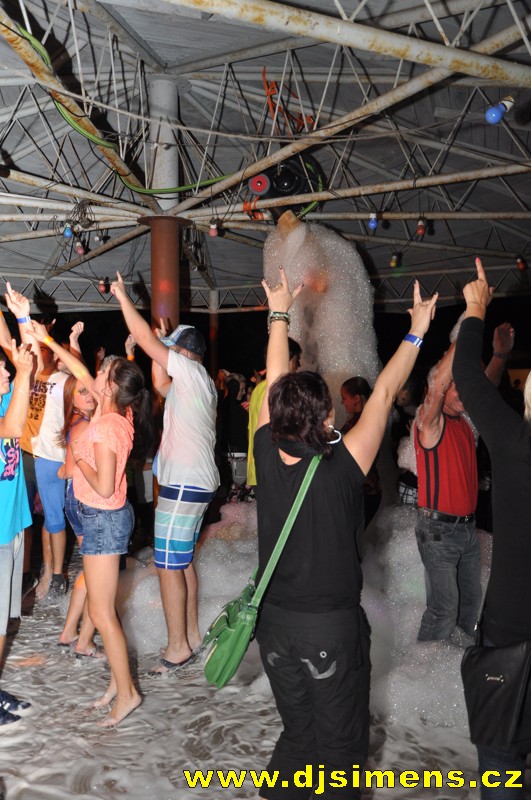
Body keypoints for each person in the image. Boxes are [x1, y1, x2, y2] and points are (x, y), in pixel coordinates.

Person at [254, 266, 437, 800]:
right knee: (341, 754)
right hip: (329, 631)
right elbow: (385, 393)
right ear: (327, 414)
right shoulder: (345, 462)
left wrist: (279, 312)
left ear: (275, 412)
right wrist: (416, 330)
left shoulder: (265, 445)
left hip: (274, 627)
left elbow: (275, 379)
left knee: (298, 735)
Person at [30, 322, 152, 727]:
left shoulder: (105, 427)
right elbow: (81, 370)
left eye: (104, 373)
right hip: (103, 518)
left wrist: (77, 461)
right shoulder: (115, 410)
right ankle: (119, 683)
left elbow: (103, 484)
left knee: (101, 613)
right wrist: (48, 340)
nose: (95, 374)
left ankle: (128, 693)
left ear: (111, 388)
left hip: (103, 518)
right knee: (103, 609)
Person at [109, 273, 219, 675]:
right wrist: (160, 344)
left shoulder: (188, 372)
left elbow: (144, 339)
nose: (165, 353)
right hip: (196, 482)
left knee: (169, 564)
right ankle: (189, 636)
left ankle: (177, 649)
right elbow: (158, 381)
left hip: (184, 483)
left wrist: (123, 298)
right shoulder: (198, 382)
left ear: (184, 354)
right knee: (182, 562)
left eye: (171, 348)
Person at [454, 258, 530, 799]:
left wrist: (476, 309)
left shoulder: (517, 445)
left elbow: (466, 378)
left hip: (510, 628)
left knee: (502, 759)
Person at [413, 316, 513, 643]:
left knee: (470, 607)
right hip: (438, 531)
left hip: (467, 530)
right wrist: (471, 319)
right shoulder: (430, 423)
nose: (464, 393)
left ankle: (460, 664)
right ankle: (425, 668)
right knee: (443, 610)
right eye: (456, 385)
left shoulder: (466, 423)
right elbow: (437, 384)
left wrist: (499, 355)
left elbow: (486, 385)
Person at [5, 286, 71, 601]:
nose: (38, 352)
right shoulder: (24, 382)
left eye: (44, 349)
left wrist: (23, 318)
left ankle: (52, 575)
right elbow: (14, 345)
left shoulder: (64, 381)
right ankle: (31, 572)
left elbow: (81, 379)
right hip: (25, 456)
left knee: (53, 519)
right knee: (26, 519)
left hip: (50, 459)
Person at [0, 334, 34, 728]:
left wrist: (21, 317)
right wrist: (22, 373)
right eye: (0, 370)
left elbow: (22, 354)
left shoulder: (6, 398)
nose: (7, 370)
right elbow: (11, 428)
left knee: (5, 620)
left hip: (10, 528)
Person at [56, 373, 103, 658]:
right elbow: (71, 469)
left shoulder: (78, 421)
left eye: (89, 390)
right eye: (81, 392)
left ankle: (69, 632)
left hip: (75, 498)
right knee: (97, 574)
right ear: (71, 399)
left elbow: (66, 469)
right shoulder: (83, 425)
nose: (89, 395)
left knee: (89, 571)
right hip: (82, 498)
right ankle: (82, 641)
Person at [246, 337, 301, 487]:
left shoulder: (259, 389)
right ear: (285, 358)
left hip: (260, 470)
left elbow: (252, 431)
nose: (299, 365)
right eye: (297, 360)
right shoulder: (279, 390)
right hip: (275, 474)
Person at [340, 376, 381, 528]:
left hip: (365, 492)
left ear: (356, 398)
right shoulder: (366, 419)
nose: (342, 402)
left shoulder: (361, 424)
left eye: (344, 398)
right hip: (365, 490)